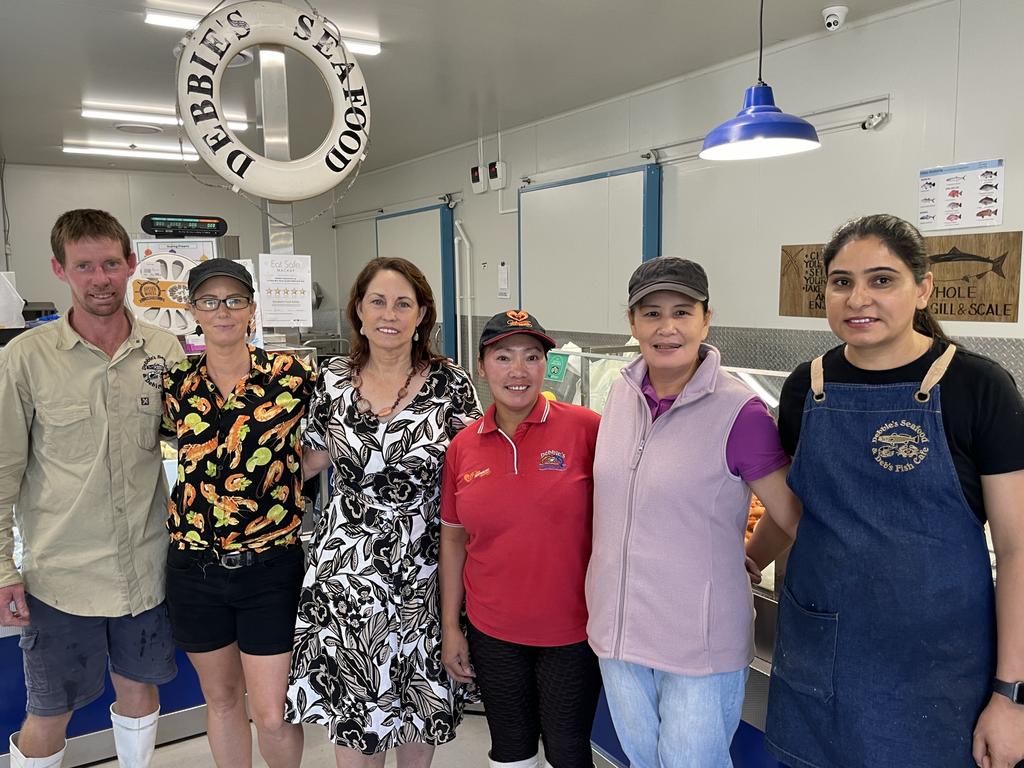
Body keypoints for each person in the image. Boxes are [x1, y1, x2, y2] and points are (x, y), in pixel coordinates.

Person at [757, 214, 1024, 768]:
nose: (859, 298)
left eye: (882, 279)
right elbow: (792, 508)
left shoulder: (978, 386)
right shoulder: (807, 386)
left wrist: (1011, 696)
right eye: (841, 281)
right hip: (818, 659)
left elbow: (1019, 550)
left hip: (939, 673)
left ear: (922, 288)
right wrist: (744, 563)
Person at [585, 257, 801, 768]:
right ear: (632, 323)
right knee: (638, 761)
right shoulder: (619, 393)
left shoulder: (739, 412)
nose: (667, 327)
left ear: (706, 320)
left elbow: (791, 514)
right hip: (618, 633)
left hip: (698, 644)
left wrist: (750, 554)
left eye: (683, 312)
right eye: (652, 312)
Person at [0, 209, 184, 768]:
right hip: (62, 578)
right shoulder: (24, 361)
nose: (100, 277)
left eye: (110, 263)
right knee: (50, 712)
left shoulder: (165, 352)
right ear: (60, 270)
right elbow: (2, 472)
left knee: (139, 692)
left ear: (132, 264)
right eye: (84, 266)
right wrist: (4, 569)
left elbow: (200, 447)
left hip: (147, 570)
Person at [285, 257, 481, 768]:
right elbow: (307, 461)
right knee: (355, 713)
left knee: (419, 703)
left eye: (403, 303)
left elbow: (476, 474)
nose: (389, 313)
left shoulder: (451, 383)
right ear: (358, 310)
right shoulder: (331, 379)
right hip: (346, 571)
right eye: (378, 300)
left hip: (426, 567)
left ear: (422, 315)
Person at [161, 258, 314, 768]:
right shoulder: (176, 384)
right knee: (223, 701)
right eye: (209, 300)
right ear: (192, 311)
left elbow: (330, 440)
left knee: (271, 712)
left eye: (233, 300)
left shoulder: (292, 377)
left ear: (251, 308)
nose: (222, 311)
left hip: (270, 565)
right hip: (195, 568)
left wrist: (294, 473)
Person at [439, 311, 602, 768]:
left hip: (572, 629)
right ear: (481, 365)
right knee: (510, 747)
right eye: (503, 357)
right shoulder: (464, 447)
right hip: (493, 629)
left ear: (546, 366)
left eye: (532, 357)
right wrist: (452, 626)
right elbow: (453, 541)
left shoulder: (586, 429)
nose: (518, 370)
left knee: (569, 749)